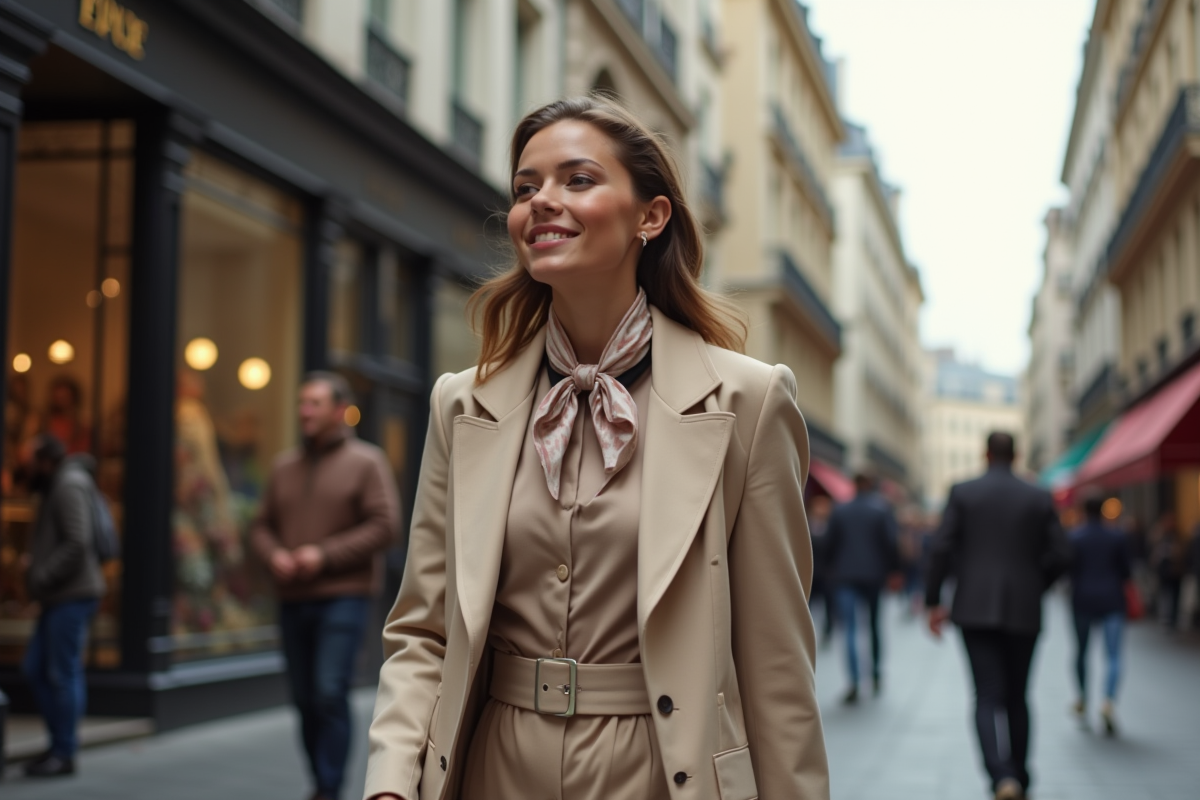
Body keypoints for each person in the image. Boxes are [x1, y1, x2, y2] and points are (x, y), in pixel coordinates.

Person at [364, 96, 828, 800]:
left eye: (577, 180)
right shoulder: (461, 404)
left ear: (651, 216)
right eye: (526, 188)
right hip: (492, 765)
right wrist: (391, 782)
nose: (542, 202)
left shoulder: (749, 402)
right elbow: (424, 630)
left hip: (660, 769)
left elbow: (776, 667)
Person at [251, 372, 400, 800]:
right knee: (303, 698)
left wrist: (323, 554)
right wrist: (273, 554)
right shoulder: (283, 466)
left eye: (314, 403)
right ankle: (320, 780)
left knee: (328, 691)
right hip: (292, 598)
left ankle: (329, 788)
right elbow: (261, 526)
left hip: (344, 597)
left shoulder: (366, 462)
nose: (304, 411)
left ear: (339, 410)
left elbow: (385, 526)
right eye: (302, 403)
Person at [926, 432, 1069, 800]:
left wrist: (932, 600)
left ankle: (1000, 776)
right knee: (1019, 696)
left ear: (985, 453)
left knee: (986, 695)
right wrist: (1037, 584)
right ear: (1017, 455)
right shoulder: (1038, 495)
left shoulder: (963, 492)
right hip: (1024, 606)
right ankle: (1020, 774)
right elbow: (1062, 553)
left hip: (973, 606)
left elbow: (940, 547)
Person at [21, 434, 106, 778]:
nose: (23, 467)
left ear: (44, 461)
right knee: (36, 668)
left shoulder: (68, 484)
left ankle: (64, 751)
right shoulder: (59, 482)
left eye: (28, 460)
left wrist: (41, 575)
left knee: (62, 672)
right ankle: (58, 745)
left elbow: (77, 541)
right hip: (59, 596)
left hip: (72, 595)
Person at [825, 472, 898, 703]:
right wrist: (894, 570)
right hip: (873, 575)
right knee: (874, 626)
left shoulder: (840, 510)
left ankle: (854, 681)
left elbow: (828, 543)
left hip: (845, 576)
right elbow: (891, 542)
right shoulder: (881, 509)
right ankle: (875, 674)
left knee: (849, 629)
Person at [1068, 493, 1132, 735]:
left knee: (1082, 652)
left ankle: (1082, 699)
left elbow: (1068, 569)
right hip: (1112, 599)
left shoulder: (1075, 536)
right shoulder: (1116, 536)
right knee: (1114, 654)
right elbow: (1126, 571)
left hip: (1082, 599)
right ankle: (1108, 700)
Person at [807, 493, 836, 646]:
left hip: (827, 574)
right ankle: (807, 632)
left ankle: (827, 631)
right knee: (808, 606)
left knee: (828, 606)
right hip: (810, 574)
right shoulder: (805, 524)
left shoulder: (832, 526)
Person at [1149, 513, 1185, 629]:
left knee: (1175, 596)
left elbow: (1182, 551)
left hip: (1175, 570)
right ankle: (1166, 618)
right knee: (1164, 594)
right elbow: (1152, 550)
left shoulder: (1177, 535)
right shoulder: (1160, 535)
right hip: (1163, 570)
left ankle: (1173, 619)